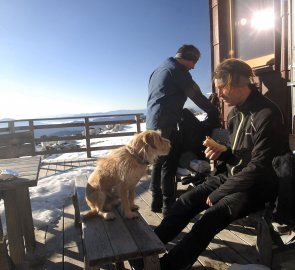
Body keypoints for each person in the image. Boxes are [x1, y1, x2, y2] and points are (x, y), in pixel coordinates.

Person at [150, 58, 290, 270]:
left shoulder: (266, 114)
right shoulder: (235, 115)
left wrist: (219, 193)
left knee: (211, 218)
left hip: (259, 186)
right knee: (186, 201)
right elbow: (239, 155)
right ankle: (147, 248)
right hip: (233, 176)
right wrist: (223, 154)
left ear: (237, 82)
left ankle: (168, 266)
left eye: (222, 88)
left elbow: (260, 166)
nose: (219, 94)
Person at [146, 44, 220, 216]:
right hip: (167, 124)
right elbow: (195, 95)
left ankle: (156, 201)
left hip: (152, 124)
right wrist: (213, 110)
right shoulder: (177, 70)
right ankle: (168, 206)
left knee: (158, 162)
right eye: (193, 62)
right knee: (169, 164)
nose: (193, 67)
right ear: (187, 58)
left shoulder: (158, 70)